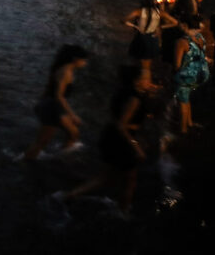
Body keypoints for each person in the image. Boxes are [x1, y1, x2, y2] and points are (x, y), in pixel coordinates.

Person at [59, 65, 154, 214]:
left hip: (110, 136)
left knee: (107, 176)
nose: (150, 81)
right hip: (122, 140)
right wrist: (137, 147)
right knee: (130, 179)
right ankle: (123, 213)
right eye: (146, 79)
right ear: (137, 81)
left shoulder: (122, 92)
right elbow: (122, 125)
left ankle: (72, 195)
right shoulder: (134, 98)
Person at [23, 44, 89, 161]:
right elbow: (59, 96)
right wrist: (72, 115)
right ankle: (26, 161)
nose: (85, 63)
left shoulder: (65, 69)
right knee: (42, 141)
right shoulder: (65, 72)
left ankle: (60, 156)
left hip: (54, 106)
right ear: (75, 59)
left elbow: (49, 89)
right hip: (52, 108)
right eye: (83, 60)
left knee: (73, 133)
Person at [124, 0, 177, 87]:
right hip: (153, 39)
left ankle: (145, 85)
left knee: (144, 64)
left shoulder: (139, 11)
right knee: (148, 64)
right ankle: (146, 83)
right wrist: (161, 27)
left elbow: (124, 20)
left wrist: (135, 26)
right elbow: (174, 22)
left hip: (141, 38)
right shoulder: (160, 13)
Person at [173, 15, 210, 134]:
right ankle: (189, 122)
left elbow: (177, 65)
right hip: (201, 73)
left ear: (185, 25)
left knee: (182, 101)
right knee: (187, 97)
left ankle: (183, 130)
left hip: (187, 76)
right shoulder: (201, 38)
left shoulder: (182, 42)